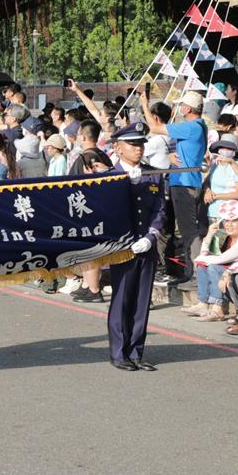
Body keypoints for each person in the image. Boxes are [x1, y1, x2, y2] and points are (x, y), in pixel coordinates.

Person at [106, 122, 166, 371]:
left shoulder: (153, 173)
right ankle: (119, 353)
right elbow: (106, 213)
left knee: (142, 301)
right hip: (123, 247)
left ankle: (136, 351)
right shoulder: (109, 177)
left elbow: (160, 209)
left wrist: (151, 237)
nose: (138, 149)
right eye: (132, 144)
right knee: (122, 299)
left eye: (140, 143)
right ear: (118, 148)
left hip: (146, 245)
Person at [142, 88, 206, 286]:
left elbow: (153, 127)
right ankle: (190, 273)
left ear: (188, 108)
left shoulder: (191, 126)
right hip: (188, 181)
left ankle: (195, 276)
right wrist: (170, 156)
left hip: (184, 184)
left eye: (181, 105)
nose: (179, 108)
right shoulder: (199, 125)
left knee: (189, 232)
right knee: (188, 231)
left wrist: (144, 102)